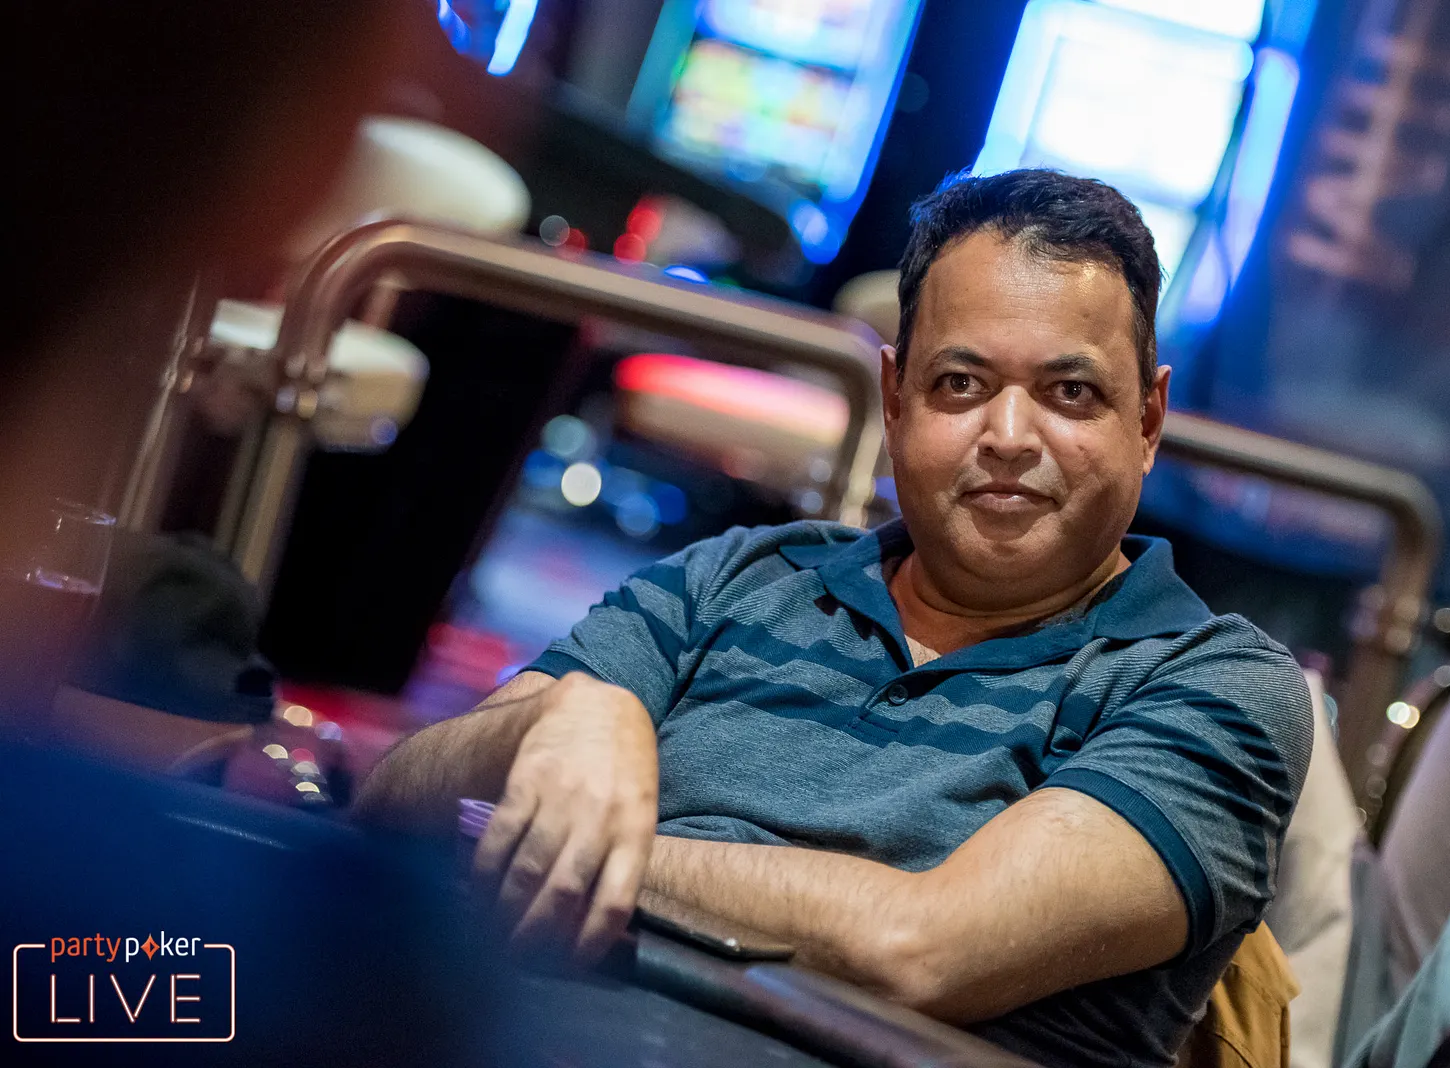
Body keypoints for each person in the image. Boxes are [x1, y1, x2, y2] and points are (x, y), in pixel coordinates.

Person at [356, 169, 1315, 1067]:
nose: (1009, 437)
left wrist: (562, 847)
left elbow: (919, 947)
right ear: (894, 402)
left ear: (1146, 420)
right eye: (961, 384)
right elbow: (392, 798)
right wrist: (555, 719)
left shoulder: (1214, 686)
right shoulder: (736, 576)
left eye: (1071, 393)